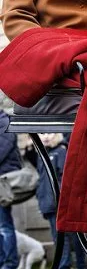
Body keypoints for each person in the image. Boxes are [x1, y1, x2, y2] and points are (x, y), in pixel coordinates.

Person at [32, 133, 86, 269]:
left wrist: (61, 201)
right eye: (42, 134)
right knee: (59, 238)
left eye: (50, 133)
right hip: (49, 204)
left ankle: (70, 265)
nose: (46, 137)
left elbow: (64, 179)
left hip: (59, 204)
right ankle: (67, 264)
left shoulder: (60, 151)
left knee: (69, 238)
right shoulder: (43, 154)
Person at [0, 109, 20, 269]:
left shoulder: (4, 121)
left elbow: (2, 149)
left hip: (3, 182)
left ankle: (10, 263)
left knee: (4, 226)